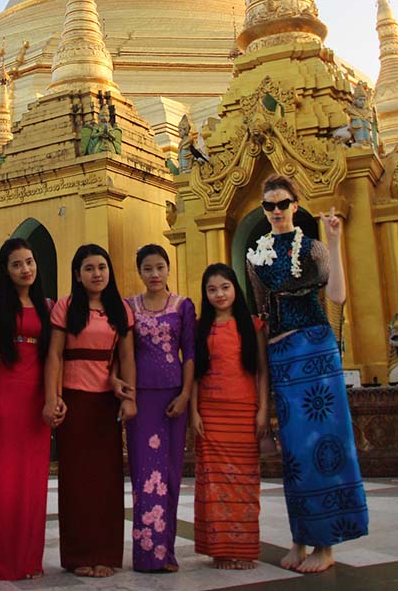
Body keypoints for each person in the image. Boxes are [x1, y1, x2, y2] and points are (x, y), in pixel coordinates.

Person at [246, 174, 368, 573]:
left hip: (316, 350)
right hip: (282, 355)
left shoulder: (312, 247)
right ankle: (301, 538)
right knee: (295, 453)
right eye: (270, 206)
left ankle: (326, 546)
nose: (277, 211)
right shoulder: (256, 256)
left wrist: (333, 239)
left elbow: (335, 296)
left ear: (295, 206)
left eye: (283, 204)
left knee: (325, 447)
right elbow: (261, 316)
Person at [43, 244, 137, 579]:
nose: (97, 274)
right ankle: (78, 554)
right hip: (73, 400)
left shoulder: (120, 308)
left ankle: (106, 553)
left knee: (107, 480)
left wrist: (129, 397)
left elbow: (126, 356)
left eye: (102, 267)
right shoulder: (66, 307)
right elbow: (54, 354)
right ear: (78, 274)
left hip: (105, 402)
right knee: (76, 479)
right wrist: (53, 397)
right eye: (89, 268)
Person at [0, 238, 55, 580]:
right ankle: (0, 561)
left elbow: (55, 357)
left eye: (30, 261)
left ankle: (29, 559)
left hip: (37, 397)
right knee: (2, 480)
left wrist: (54, 396)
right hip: (4, 395)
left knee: (33, 482)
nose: (26, 269)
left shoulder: (48, 306)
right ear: (5, 271)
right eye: (17, 264)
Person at [190, 263, 269, 570]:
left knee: (245, 483)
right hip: (211, 413)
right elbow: (195, 373)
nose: (219, 294)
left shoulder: (254, 325)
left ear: (235, 288)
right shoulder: (200, 327)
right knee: (215, 484)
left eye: (224, 287)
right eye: (212, 289)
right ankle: (221, 550)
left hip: (244, 411)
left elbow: (262, 370)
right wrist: (194, 411)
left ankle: (244, 548)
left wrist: (263, 410)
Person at [125, 244, 195, 572]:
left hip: (173, 396)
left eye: (159, 268)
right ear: (139, 272)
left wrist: (185, 395)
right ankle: (146, 554)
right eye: (147, 269)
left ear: (169, 269)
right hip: (141, 399)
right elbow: (121, 354)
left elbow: (190, 353)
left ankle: (166, 551)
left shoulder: (183, 306)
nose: (154, 275)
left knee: (169, 473)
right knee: (143, 475)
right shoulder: (129, 307)